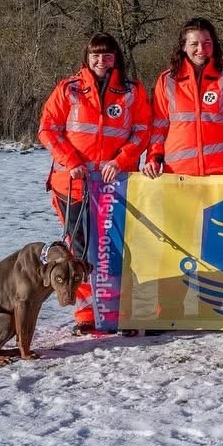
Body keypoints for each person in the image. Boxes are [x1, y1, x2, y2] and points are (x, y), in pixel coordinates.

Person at [37, 33, 150, 333]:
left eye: (108, 55)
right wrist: (72, 161)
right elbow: (48, 129)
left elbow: (142, 132)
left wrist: (121, 161)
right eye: (96, 55)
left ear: (117, 58)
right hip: (72, 184)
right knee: (79, 250)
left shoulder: (131, 91)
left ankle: (120, 309)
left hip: (116, 185)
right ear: (86, 57)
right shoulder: (69, 89)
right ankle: (87, 313)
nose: (102, 61)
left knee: (119, 249)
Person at [143, 18, 223, 179]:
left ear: (214, 44)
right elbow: (158, 127)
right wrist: (153, 158)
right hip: (179, 174)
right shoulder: (167, 80)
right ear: (183, 46)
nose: (201, 49)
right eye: (194, 44)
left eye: (207, 43)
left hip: (222, 173)